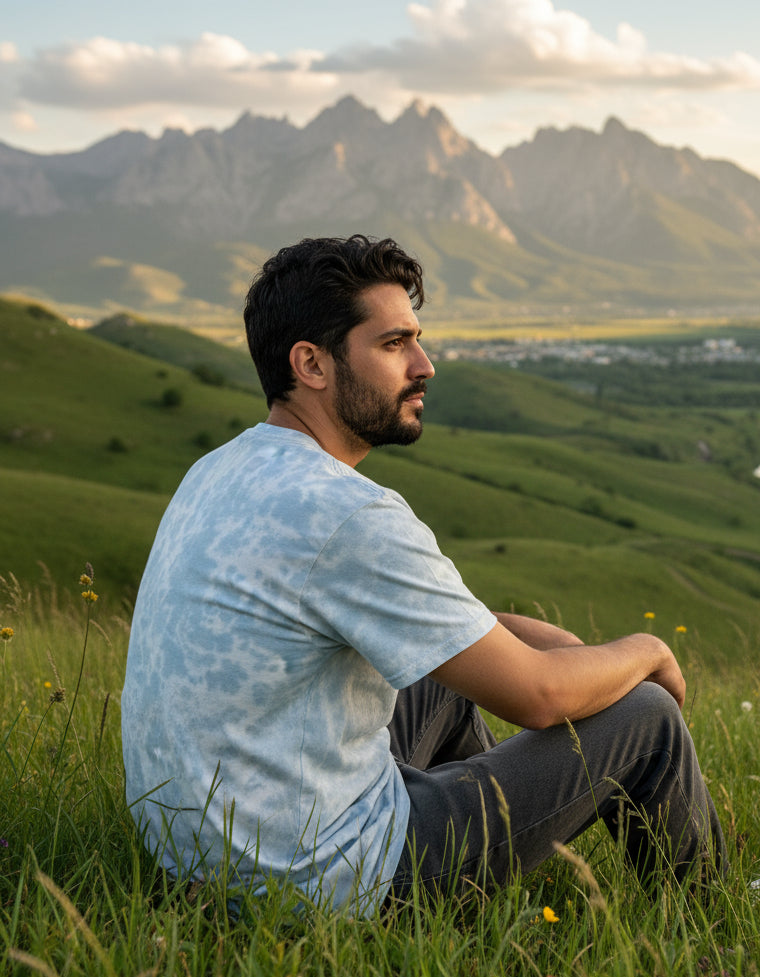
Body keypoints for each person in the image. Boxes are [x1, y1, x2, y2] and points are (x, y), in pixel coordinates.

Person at [121, 235, 727, 914]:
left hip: (197, 855)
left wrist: (551, 646)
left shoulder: (220, 470)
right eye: (393, 344)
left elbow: (457, 636)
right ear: (311, 364)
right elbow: (540, 698)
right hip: (313, 881)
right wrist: (650, 650)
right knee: (645, 715)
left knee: (447, 677)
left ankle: (499, 862)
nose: (425, 364)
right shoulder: (347, 514)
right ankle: (706, 921)